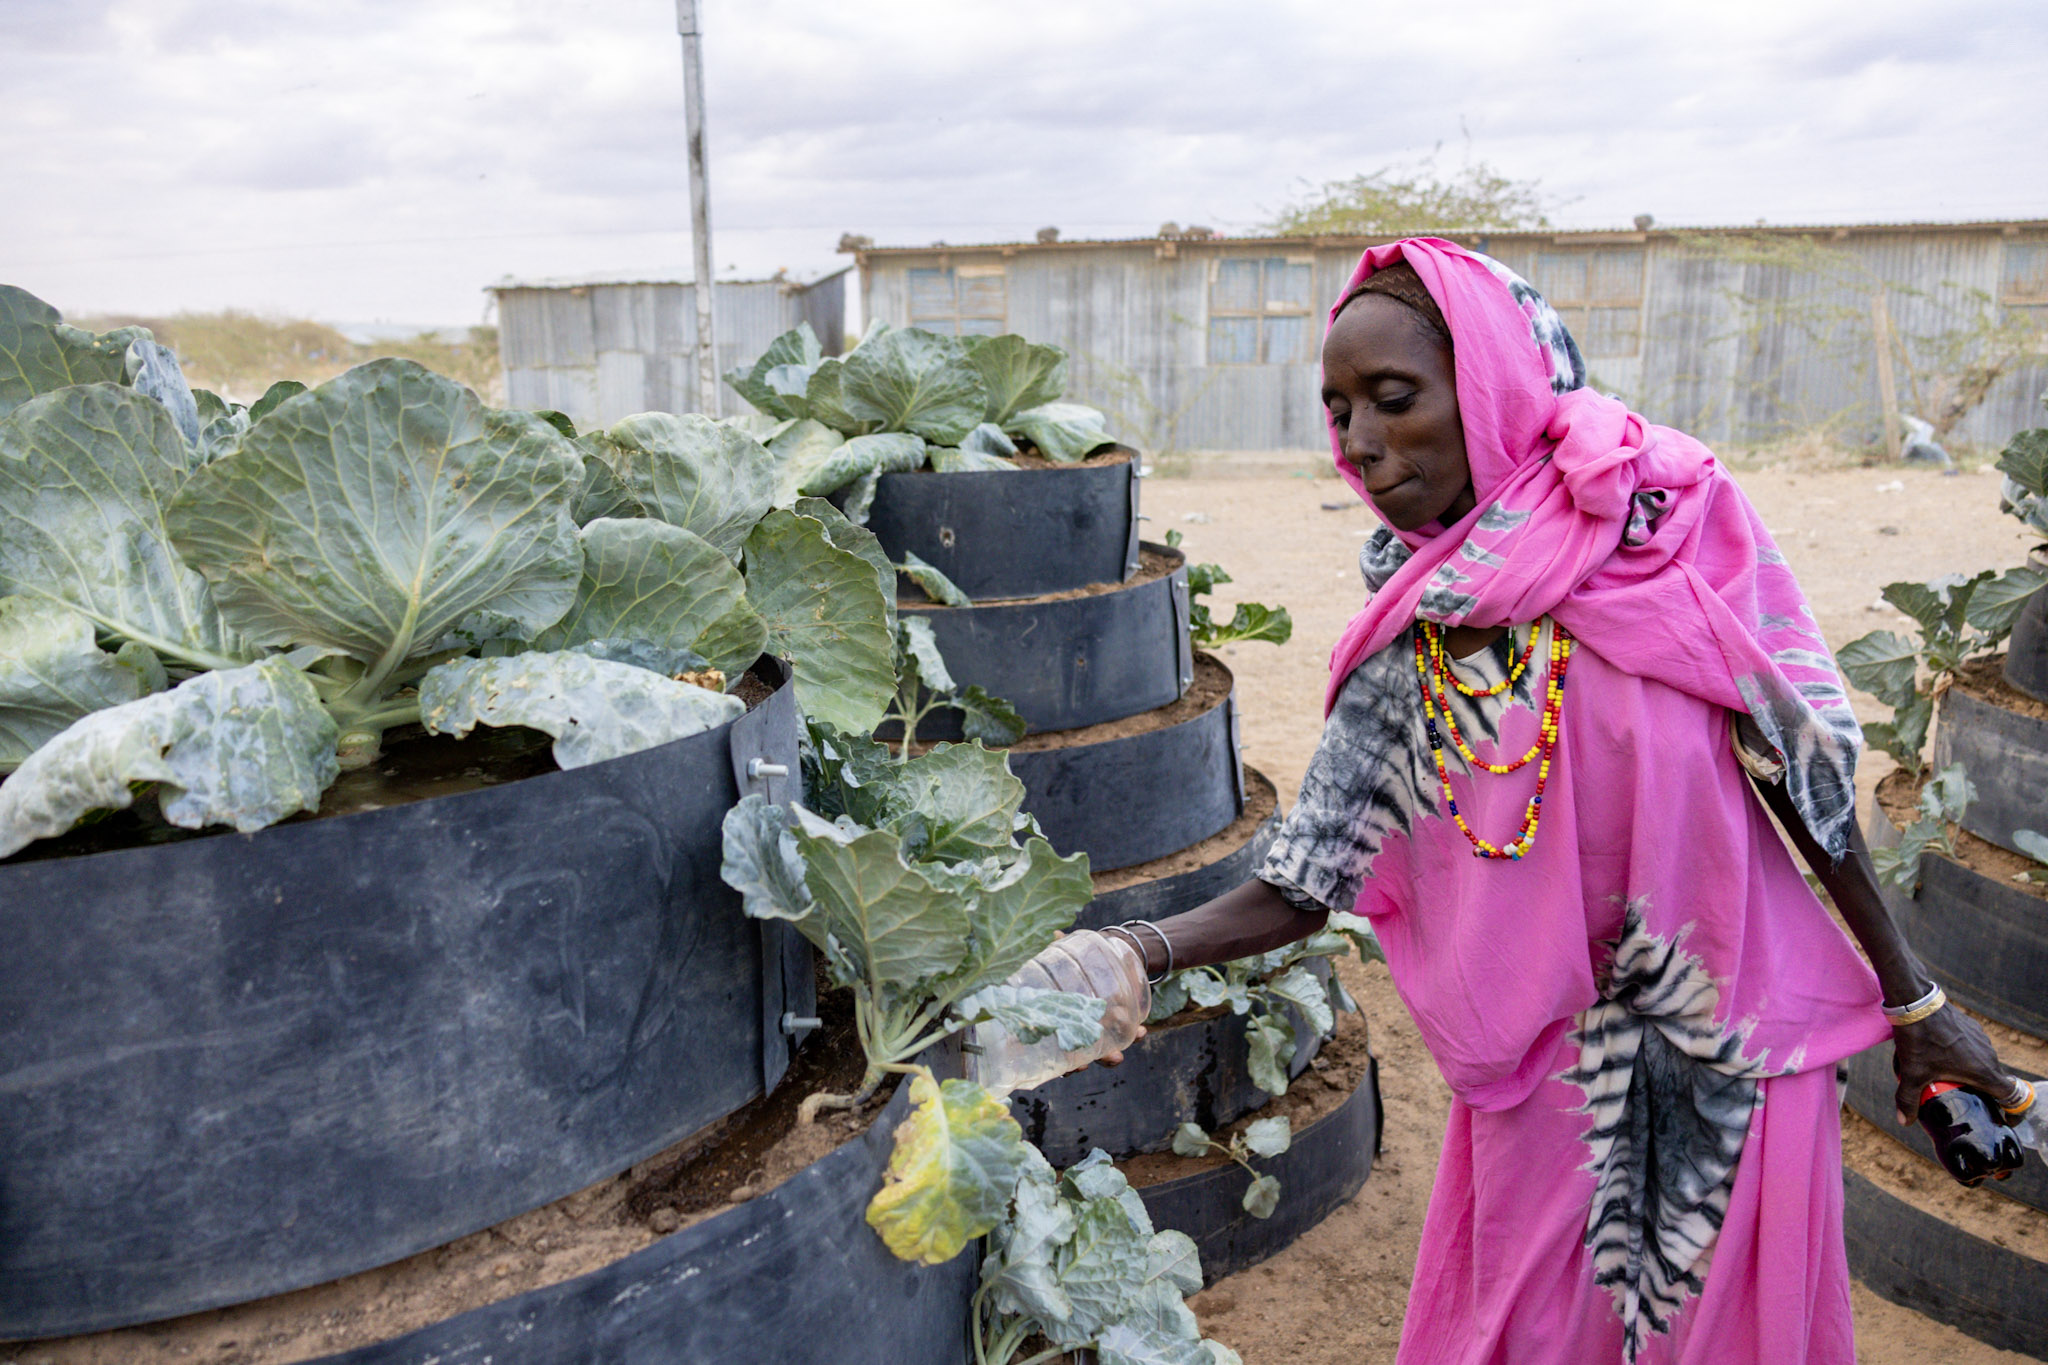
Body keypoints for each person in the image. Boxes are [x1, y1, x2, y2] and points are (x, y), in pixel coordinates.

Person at [1041, 238, 2024, 1364]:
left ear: (1492, 385)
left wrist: (1914, 1005)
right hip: (1548, 1084)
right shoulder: (1414, 629)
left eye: (1392, 398)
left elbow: (1802, 782)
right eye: (1337, 408)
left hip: (1740, 1065)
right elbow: (1304, 881)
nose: (1359, 443)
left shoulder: (1671, 531)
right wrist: (1123, 953)